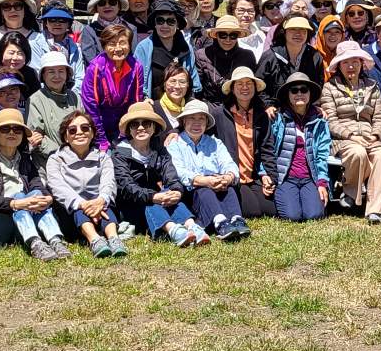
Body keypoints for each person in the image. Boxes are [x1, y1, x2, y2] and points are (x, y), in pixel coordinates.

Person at [0, 109, 69, 258]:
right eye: (5, 129)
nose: (12, 133)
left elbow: (36, 184)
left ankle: (55, 241)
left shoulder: (25, 160)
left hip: (25, 214)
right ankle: (36, 243)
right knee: (21, 195)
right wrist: (19, 203)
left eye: (17, 129)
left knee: (37, 194)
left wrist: (47, 198)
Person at [113, 100, 209, 245]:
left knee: (167, 192)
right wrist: (154, 196)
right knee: (151, 201)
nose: (140, 128)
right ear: (129, 130)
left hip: (158, 197)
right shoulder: (119, 153)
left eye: (146, 123)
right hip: (131, 206)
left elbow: (170, 173)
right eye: (134, 124)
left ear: (154, 126)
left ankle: (192, 226)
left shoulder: (159, 148)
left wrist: (176, 191)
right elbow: (127, 187)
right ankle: (173, 231)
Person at [322, 43, 381, 225]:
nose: (351, 66)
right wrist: (351, 135)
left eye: (355, 61)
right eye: (346, 62)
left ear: (362, 63)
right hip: (344, 139)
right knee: (358, 152)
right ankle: (351, 191)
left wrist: (376, 135)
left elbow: (379, 117)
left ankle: (375, 210)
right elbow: (330, 121)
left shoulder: (372, 86)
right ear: (338, 66)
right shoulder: (330, 87)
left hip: (370, 137)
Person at [45, 112, 129, 257]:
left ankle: (114, 239)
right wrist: (82, 204)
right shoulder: (55, 159)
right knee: (79, 210)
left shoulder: (103, 158)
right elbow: (57, 187)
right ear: (65, 137)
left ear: (92, 133)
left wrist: (101, 200)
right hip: (70, 213)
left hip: (100, 207)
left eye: (85, 128)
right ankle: (95, 240)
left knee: (106, 205)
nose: (79, 133)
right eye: (72, 130)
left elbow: (109, 183)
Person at [167, 99, 250, 241]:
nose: (197, 123)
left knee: (229, 189)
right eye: (192, 118)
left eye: (201, 119)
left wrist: (227, 177)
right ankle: (220, 223)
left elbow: (229, 164)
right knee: (203, 190)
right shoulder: (175, 144)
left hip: (217, 185)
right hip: (192, 191)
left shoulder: (215, 142)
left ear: (206, 123)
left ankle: (237, 220)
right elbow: (179, 171)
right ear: (184, 122)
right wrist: (204, 180)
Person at [261, 74, 332, 222]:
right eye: (294, 90)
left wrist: (322, 183)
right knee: (292, 216)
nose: (299, 93)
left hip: (309, 178)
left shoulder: (320, 121)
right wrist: (264, 174)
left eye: (304, 89)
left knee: (314, 215)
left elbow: (322, 155)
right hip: (285, 178)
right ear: (288, 95)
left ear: (310, 94)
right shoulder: (277, 119)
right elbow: (267, 149)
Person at [210, 67, 275, 221]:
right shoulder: (220, 113)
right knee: (253, 212)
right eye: (239, 84)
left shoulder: (261, 115)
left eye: (249, 84)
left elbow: (267, 148)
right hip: (232, 176)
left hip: (253, 176)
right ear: (232, 88)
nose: (244, 87)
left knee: (272, 209)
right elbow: (201, 133)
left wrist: (270, 176)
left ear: (255, 87)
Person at [79, 21, 145, 146]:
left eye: (123, 43)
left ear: (130, 45)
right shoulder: (95, 68)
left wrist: (126, 132)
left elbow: (136, 101)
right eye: (112, 44)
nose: (118, 49)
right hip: (99, 124)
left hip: (124, 124)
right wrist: (101, 139)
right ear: (104, 47)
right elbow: (91, 106)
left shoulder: (136, 67)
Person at [135, 0, 198, 98]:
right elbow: (138, 82)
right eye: (160, 21)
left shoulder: (186, 48)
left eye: (170, 21)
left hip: (180, 101)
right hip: (152, 102)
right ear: (154, 24)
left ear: (177, 25)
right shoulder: (143, 47)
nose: (165, 25)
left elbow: (193, 79)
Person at [259, 14, 323, 109]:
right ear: (284, 32)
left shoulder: (315, 56)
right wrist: (268, 106)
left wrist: (314, 106)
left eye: (303, 30)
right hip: (275, 111)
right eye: (293, 29)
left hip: (306, 110)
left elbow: (319, 85)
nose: (298, 34)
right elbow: (259, 85)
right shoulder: (270, 56)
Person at [28, 49, 81, 155]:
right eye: (51, 72)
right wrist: (63, 154)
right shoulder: (35, 100)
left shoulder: (74, 96)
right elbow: (37, 138)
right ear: (43, 75)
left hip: (78, 155)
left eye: (61, 71)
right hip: (49, 160)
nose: (57, 76)